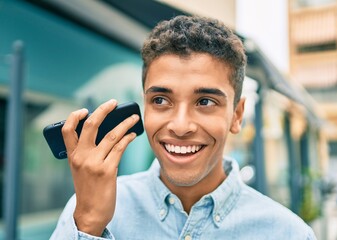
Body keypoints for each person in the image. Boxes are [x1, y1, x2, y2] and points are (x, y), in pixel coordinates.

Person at [50, 15, 317, 239]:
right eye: (161, 100)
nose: (180, 126)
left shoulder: (289, 233)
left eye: (205, 101)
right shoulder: (82, 212)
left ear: (236, 115)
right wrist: (89, 226)